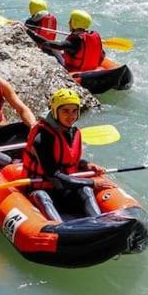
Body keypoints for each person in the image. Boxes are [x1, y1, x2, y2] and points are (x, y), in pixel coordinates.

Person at [22, 88, 105, 221]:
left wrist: (85, 164)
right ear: (55, 112)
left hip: (64, 189)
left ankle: (100, 223)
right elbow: (54, 176)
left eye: (74, 111)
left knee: (86, 191)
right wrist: (92, 182)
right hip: (40, 188)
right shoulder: (42, 137)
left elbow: (66, 159)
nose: (70, 116)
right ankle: (58, 228)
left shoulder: (72, 132)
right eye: (65, 111)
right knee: (41, 195)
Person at [29, 9, 105, 73]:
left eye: (71, 21)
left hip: (75, 72)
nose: (68, 22)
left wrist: (30, 33)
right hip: (92, 70)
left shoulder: (75, 41)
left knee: (51, 49)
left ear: (75, 23)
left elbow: (47, 43)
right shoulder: (93, 35)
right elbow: (102, 55)